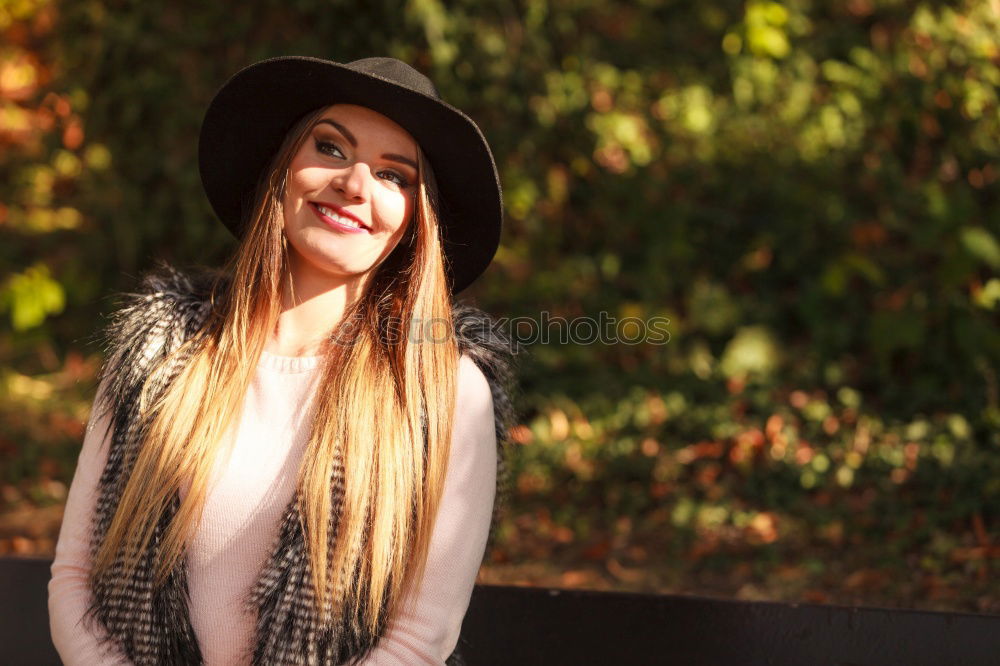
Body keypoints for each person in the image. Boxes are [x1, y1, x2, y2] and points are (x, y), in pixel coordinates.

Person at [47, 56, 516, 665]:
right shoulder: (156, 354)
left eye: (394, 176)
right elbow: (74, 577)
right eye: (332, 148)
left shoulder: (443, 391)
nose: (355, 184)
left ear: (413, 224)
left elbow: (419, 639)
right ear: (284, 165)